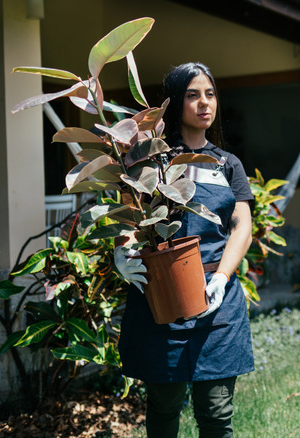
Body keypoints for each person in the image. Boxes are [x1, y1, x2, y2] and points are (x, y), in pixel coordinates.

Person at [117, 62, 255, 438]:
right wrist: (122, 255)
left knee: (216, 412)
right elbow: (130, 217)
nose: (204, 103)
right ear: (175, 103)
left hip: (217, 302)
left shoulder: (227, 164)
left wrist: (223, 277)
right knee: (164, 404)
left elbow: (242, 225)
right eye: (193, 95)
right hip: (162, 296)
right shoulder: (153, 161)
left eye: (209, 94)